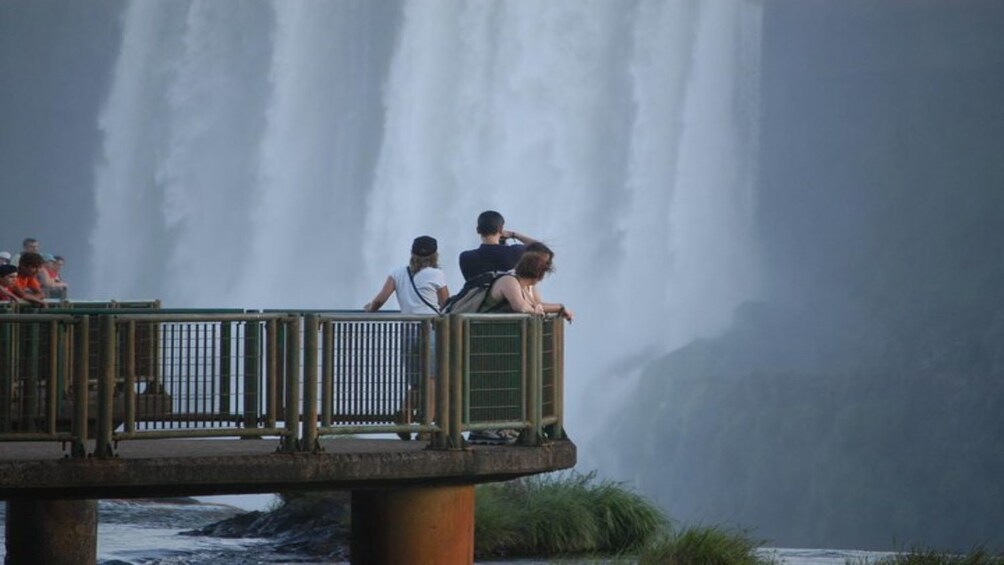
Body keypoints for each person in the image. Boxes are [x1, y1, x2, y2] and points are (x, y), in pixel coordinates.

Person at [468, 250, 574, 445]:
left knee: (501, 386)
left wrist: (559, 308)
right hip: (485, 343)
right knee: (489, 386)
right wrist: (536, 309)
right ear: (538, 274)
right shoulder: (510, 281)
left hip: (499, 345)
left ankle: (503, 428)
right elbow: (521, 307)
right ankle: (484, 431)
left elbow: (535, 304)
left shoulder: (522, 285)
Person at [364, 236, 449, 440]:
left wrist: (369, 308)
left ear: (412, 253)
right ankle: (426, 430)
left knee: (417, 382)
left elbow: (379, 300)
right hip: (430, 331)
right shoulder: (436, 274)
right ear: (434, 255)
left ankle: (404, 415)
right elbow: (446, 304)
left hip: (407, 332)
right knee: (431, 380)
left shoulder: (397, 273)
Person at [458, 210, 538, 281]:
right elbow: (542, 249)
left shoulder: (465, 257)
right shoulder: (515, 252)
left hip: (477, 297)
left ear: (478, 230)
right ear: (500, 229)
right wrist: (514, 235)